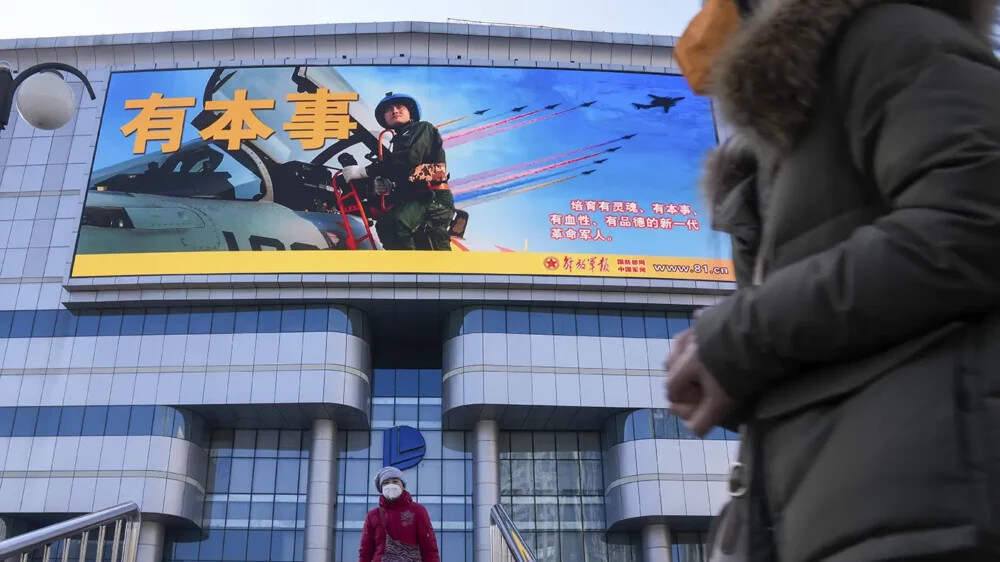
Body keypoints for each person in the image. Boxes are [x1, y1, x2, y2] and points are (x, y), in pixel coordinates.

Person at [666, 0, 1000, 561]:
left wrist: (741, 337)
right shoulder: (787, 130)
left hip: (930, 516)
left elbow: (974, 219)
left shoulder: (893, 36)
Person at [341, 92, 455, 251]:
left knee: (395, 222)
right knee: (387, 224)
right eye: (389, 110)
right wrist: (390, 185)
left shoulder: (422, 128)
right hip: (417, 196)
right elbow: (406, 172)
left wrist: (364, 171)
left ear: (410, 112)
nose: (394, 111)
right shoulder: (398, 141)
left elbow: (408, 160)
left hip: (432, 196)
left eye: (400, 107)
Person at [358, 466, 439, 562]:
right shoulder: (373, 515)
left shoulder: (417, 510)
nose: (391, 485)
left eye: (395, 481)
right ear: (381, 489)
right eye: (386, 483)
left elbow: (429, 547)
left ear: (403, 486)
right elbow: (365, 551)